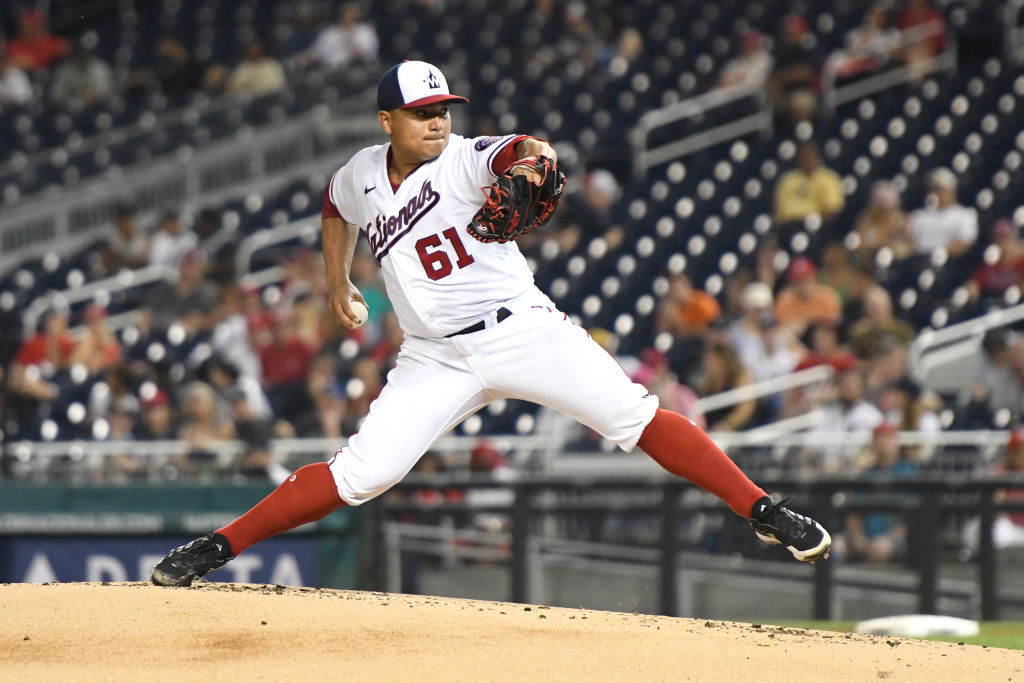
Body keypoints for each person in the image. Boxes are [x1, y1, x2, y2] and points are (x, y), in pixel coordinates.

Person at [151, 60, 831, 587]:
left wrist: (533, 161)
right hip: (433, 357)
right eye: (421, 114)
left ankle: (765, 511)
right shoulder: (360, 173)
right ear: (386, 120)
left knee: (635, 414)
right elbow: (336, 205)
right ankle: (217, 546)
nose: (438, 122)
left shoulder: (464, 157)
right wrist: (336, 280)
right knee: (361, 475)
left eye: (443, 109)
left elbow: (522, 150)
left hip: (522, 330)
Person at [907, 167, 978, 258]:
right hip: (918, 260)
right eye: (933, 189)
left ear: (952, 191)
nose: (936, 193)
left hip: (949, 262)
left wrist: (939, 253)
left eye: (941, 190)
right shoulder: (918, 215)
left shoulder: (965, 215)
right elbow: (908, 242)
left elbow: (963, 243)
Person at [773, 142, 845, 224]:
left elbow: (833, 210)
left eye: (810, 156)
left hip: (816, 224)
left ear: (817, 157)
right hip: (790, 224)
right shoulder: (788, 179)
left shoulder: (829, 178)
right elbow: (778, 211)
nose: (807, 159)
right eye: (803, 157)